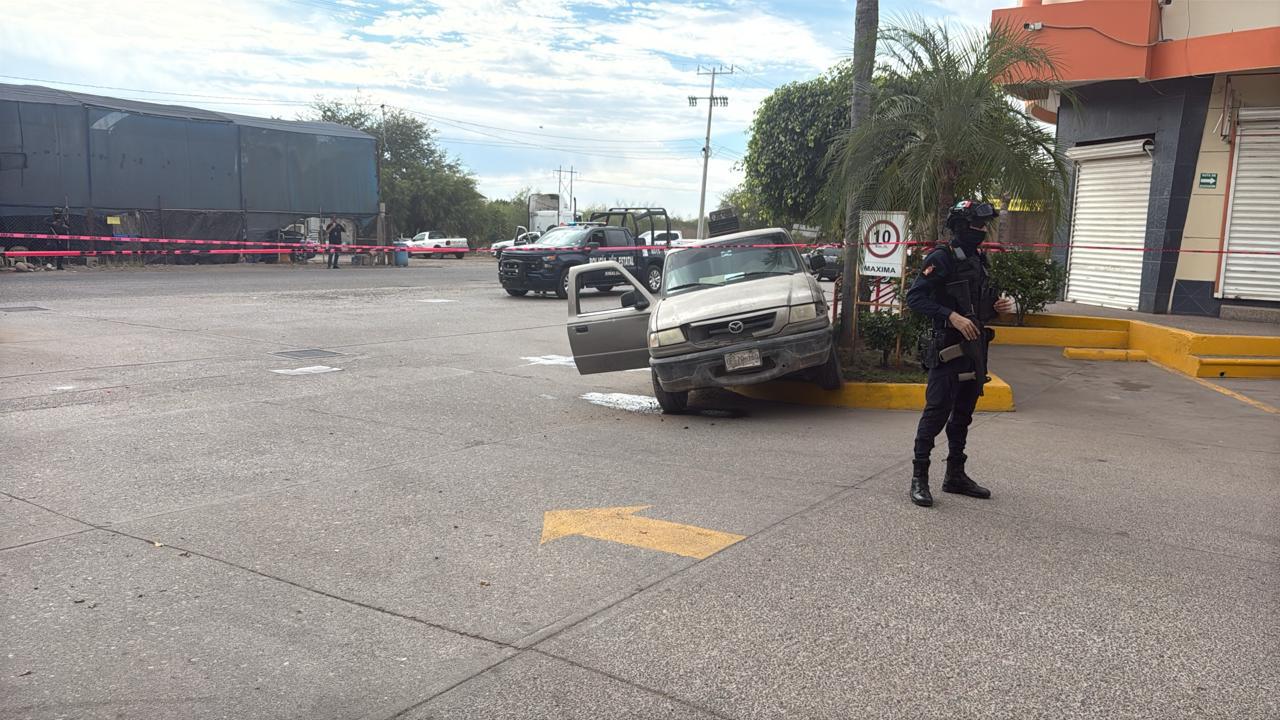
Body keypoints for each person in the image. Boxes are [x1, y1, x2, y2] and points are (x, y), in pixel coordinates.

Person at [905, 200, 1016, 508]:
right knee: (936, 412)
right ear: (958, 227)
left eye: (983, 226)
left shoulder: (979, 259)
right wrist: (950, 316)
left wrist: (997, 308)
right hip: (947, 349)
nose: (981, 231)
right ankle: (919, 478)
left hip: (975, 348)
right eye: (974, 226)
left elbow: (979, 306)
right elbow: (914, 297)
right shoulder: (941, 258)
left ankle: (955, 475)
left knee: (963, 415)